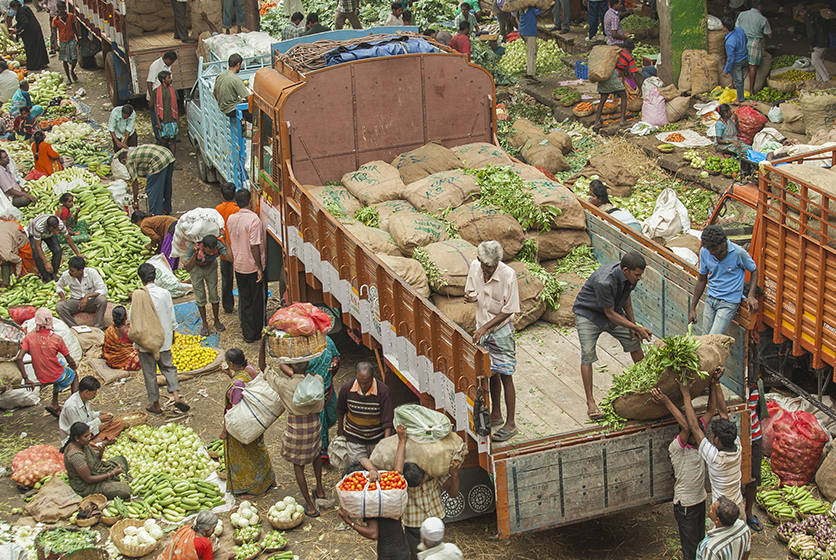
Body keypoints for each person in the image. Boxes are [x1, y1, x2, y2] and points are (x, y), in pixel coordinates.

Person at [573, 252, 652, 420]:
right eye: (637, 274)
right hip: (590, 314)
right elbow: (610, 315)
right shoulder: (605, 281)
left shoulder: (630, 277)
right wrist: (637, 327)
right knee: (587, 353)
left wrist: (633, 325)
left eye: (641, 274)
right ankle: (591, 402)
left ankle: (648, 383)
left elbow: (626, 298)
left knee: (634, 342)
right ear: (625, 270)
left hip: (613, 311)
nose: (640, 278)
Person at [463, 241, 520, 442]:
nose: (488, 272)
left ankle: (511, 424)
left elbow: (510, 309)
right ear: (479, 261)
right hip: (482, 327)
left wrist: (485, 328)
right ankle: (496, 414)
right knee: (490, 372)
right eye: (486, 268)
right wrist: (470, 298)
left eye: (492, 269)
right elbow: (472, 292)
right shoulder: (475, 267)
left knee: (505, 373)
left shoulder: (508, 275)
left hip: (500, 330)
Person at [338, 424, 411, 560]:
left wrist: (349, 522)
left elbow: (373, 534)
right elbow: (398, 471)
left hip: (387, 555)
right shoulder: (384, 491)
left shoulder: (369, 503)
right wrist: (402, 441)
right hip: (403, 550)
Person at [652, 387, 709, 560]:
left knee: (701, 544)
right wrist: (668, 400)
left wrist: (714, 383)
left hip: (700, 501)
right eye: (696, 433)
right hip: (686, 507)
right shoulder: (677, 449)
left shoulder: (701, 447)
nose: (700, 435)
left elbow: (712, 410)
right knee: (690, 551)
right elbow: (686, 426)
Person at [681, 369, 746, 518]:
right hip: (738, 506)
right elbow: (723, 413)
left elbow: (694, 426)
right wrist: (716, 383)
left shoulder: (716, 458)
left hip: (722, 513)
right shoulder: (737, 445)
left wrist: (685, 394)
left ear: (717, 440)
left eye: (714, 435)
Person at [132, 263, 190, 415]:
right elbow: (171, 316)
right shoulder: (165, 293)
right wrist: (172, 334)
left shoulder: (138, 295)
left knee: (150, 372)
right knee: (169, 367)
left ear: (140, 278)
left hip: (146, 341)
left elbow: (134, 317)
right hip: (163, 337)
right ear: (155, 276)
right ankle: (176, 396)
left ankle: (156, 404)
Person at [220, 348, 276, 496]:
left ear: (231, 363)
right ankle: (268, 479)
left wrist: (225, 430)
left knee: (246, 455)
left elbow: (235, 408)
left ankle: (255, 487)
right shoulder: (249, 371)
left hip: (243, 423)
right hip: (254, 420)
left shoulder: (237, 384)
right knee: (258, 450)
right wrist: (229, 375)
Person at [276, 359, 326, 517]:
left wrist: (264, 342)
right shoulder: (317, 380)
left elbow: (263, 368)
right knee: (316, 454)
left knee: (299, 466)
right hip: (314, 425)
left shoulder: (285, 385)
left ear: (289, 367)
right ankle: (320, 489)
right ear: (307, 365)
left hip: (296, 429)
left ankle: (310, 507)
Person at [688, 224, 758, 335]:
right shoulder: (705, 252)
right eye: (710, 250)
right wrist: (692, 308)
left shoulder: (738, 253)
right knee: (705, 337)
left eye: (716, 250)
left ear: (723, 242)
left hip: (729, 302)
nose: (713, 254)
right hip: (711, 299)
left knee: (713, 339)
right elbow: (701, 280)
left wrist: (751, 295)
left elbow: (754, 270)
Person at [16, 308, 79, 417]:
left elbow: (19, 358)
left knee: (60, 364)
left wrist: (26, 377)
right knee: (73, 375)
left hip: (40, 375)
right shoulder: (56, 339)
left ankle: (54, 403)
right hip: (54, 375)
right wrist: (73, 367)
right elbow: (69, 359)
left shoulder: (29, 336)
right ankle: (75, 405)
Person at [402, 449, 460, 559]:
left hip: (435, 519)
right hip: (414, 524)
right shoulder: (403, 474)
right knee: (416, 556)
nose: (420, 486)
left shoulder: (433, 469)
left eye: (421, 482)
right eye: (416, 485)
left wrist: (455, 474)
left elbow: (453, 493)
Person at [227, 189, 266, 343]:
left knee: (245, 299)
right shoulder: (254, 220)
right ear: (250, 201)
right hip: (251, 265)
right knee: (257, 299)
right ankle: (257, 332)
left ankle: (248, 332)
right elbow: (254, 246)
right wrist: (259, 268)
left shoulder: (231, 218)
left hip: (238, 264)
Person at [336, 362, 394, 461]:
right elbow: (340, 409)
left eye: (366, 382)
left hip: (376, 438)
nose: (363, 385)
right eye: (360, 382)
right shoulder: (347, 388)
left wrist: (385, 443)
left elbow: (387, 420)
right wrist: (340, 428)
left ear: (373, 377)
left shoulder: (383, 392)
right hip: (355, 437)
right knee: (357, 469)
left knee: (376, 468)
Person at [63, 422, 131, 499]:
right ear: (77, 438)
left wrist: (100, 452)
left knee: (121, 459)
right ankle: (114, 480)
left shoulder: (83, 444)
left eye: (89, 435)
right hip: (87, 485)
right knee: (124, 490)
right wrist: (111, 474)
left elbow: (95, 461)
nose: (89, 438)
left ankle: (115, 478)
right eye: (86, 436)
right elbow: (88, 479)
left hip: (97, 470)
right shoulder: (75, 456)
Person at [184, 234, 230, 336]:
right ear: (203, 247)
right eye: (209, 251)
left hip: (210, 268)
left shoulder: (218, 245)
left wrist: (226, 240)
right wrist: (195, 254)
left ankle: (216, 320)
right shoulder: (194, 248)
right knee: (200, 298)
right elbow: (187, 268)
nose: (212, 253)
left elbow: (230, 257)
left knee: (214, 295)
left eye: (213, 251)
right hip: (196, 269)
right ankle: (205, 323)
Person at [306, 334, 340, 464]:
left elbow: (336, 355)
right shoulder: (303, 345)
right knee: (320, 421)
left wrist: (334, 363)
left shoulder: (327, 341)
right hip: (313, 389)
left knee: (332, 415)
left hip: (327, 385)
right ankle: (322, 451)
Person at [593, 39, 642, 127]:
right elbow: (634, 74)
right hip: (612, 76)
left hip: (604, 74)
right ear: (631, 49)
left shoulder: (617, 52)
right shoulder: (629, 57)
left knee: (603, 99)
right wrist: (640, 87)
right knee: (624, 96)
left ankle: (597, 122)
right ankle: (622, 120)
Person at [58, 376, 114, 447]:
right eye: (94, 393)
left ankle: (97, 442)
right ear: (86, 392)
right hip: (78, 438)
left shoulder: (85, 399)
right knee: (83, 440)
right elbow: (79, 431)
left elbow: (88, 415)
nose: (95, 395)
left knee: (118, 423)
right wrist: (99, 420)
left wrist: (100, 414)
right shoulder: (71, 407)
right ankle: (96, 444)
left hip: (89, 432)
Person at [743, 373, 768, 533]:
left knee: (754, 477)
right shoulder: (738, 387)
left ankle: (748, 511)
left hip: (755, 436)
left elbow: (759, 409)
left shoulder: (758, 385)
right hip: (739, 437)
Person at [55, 256, 108, 329]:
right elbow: (58, 286)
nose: (70, 272)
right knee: (59, 306)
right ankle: (75, 327)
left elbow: (103, 289)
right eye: (69, 269)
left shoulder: (91, 273)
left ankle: (98, 327)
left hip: (91, 301)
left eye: (72, 270)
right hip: (76, 302)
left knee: (102, 300)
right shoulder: (66, 275)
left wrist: (87, 296)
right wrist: (62, 296)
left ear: (80, 270)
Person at [27, 214, 84, 282]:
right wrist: (46, 262)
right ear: (47, 226)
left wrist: (77, 253)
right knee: (36, 255)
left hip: (49, 235)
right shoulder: (38, 227)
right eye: (53, 230)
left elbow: (68, 238)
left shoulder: (60, 224)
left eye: (56, 230)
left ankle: (53, 273)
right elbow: (38, 246)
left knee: (57, 250)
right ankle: (45, 277)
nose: (55, 231)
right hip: (34, 234)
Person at [156, 511, 231, 560]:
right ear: (207, 530)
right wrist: (226, 558)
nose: (214, 531)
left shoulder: (185, 529)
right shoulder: (205, 543)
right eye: (213, 528)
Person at [127, 144, 175, 216]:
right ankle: (166, 208)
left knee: (152, 190)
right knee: (166, 185)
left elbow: (135, 182)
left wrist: (135, 201)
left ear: (124, 159)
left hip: (158, 160)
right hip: (168, 154)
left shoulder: (128, 161)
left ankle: (155, 215)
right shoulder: (134, 152)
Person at [735, 0, 771, 95]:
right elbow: (769, 35)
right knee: (752, 67)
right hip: (754, 42)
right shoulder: (762, 19)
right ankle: (751, 90)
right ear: (759, 6)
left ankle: (732, 86)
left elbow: (736, 27)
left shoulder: (742, 14)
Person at [215, 182, 238, 314]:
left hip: (223, 248)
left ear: (222, 195)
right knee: (239, 278)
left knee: (226, 279)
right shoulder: (236, 210)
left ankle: (228, 306)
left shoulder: (217, 209)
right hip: (235, 249)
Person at [146, 51, 177, 145]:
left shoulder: (167, 66)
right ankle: (159, 139)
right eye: (171, 61)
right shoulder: (155, 66)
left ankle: (169, 135)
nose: (172, 64)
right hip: (156, 96)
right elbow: (149, 82)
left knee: (167, 116)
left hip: (164, 95)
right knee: (156, 118)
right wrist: (152, 98)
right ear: (167, 59)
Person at [9, 1, 49, 71]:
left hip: (31, 33)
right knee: (38, 46)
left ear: (15, 6)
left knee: (32, 48)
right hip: (35, 29)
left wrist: (17, 30)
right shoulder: (25, 8)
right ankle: (42, 62)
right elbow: (23, 21)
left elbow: (25, 22)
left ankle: (35, 65)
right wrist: (16, 26)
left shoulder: (21, 12)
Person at [797, 5, 832, 83]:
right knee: (820, 60)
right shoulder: (816, 15)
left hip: (819, 43)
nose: (800, 17)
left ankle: (826, 78)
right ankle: (819, 80)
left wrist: (811, 44)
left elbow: (811, 32)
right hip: (825, 41)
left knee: (814, 60)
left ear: (802, 11)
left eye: (800, 14)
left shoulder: (809, 18)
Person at [103, 305, 141, 371]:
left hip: (111, 360)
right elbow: (138, 345)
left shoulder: (109, 330)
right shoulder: (129, 331)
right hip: (126, 359)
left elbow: (106, 347)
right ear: (126, 317)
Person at [213, 54, 250, 120]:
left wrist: (222, 103)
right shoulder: (236, 80)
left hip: (222, 108)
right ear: (238, 64)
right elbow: (248, 98)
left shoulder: (220, 75)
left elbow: (214, 93)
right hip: (232, 109)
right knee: (255, 114)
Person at [722, 17, 749, 105]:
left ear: (725, 27)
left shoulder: (729, 42)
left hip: (737, 62)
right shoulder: (740, 30)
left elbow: (731, 58)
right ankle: (737, 94)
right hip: (745, 58)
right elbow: (746, 39)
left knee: (739, 81)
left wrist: (726, 70)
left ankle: (740, 99)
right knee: (739, 78)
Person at [52, 2, 79, 84]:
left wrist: (78, 37)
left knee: (75, 58)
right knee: (64, 60)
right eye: (60, 9)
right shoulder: (55, 20)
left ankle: (72, 71)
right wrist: (55, 44)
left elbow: (74, 27)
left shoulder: (70, 16)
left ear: (65, 8)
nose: (61, 11)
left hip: (71, 39)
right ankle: (68, 78)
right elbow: (54, 33)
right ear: (58, 9)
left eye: (63, 9)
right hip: (62, 41)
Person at [154, 70, 178, 158]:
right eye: (168, 78)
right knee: (164, 141)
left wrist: (177, 120)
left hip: (172, 119)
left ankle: (173, 159)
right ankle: (166, 158)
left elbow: (175, 106)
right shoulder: (156, 92)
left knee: (172, 140)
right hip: (162, 120)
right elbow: (155, 108)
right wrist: (158, 122)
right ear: (163, 80)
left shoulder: (173, 90)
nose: (170, 79)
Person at [518, 7, 540, 84]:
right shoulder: (531, 7)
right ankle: (530, 76)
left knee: (530, 51)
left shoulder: (522, 6)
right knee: (532, 52)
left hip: (523, 30)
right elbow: (541, 15)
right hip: (529, 32)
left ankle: (528, 71)